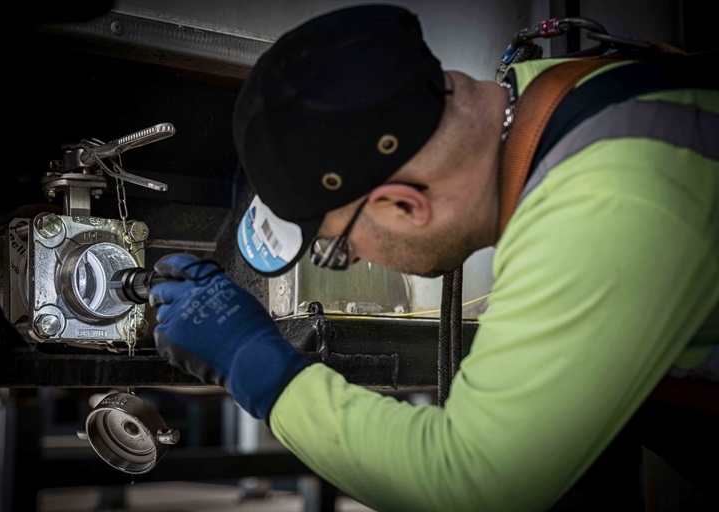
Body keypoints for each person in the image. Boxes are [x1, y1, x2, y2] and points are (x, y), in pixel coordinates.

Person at [149, 4, 718, 511]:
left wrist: (253, 362)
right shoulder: (550, 94)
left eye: (336, 248)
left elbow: (475, 482)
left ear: (402, 204)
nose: (345, 258)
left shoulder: (605, 201)